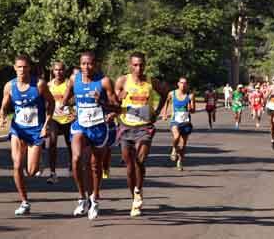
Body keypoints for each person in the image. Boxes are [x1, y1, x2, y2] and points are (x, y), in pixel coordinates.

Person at [61, 52, 120, 220]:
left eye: (90, 64)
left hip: (98, 128)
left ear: (96, 64)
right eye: (83, 64)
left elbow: (117, 108)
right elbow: (65, 100)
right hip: (80, 126)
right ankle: (82, 198)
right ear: (79, 65)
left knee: (95, 166)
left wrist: (101, 102)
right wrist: (66, 109)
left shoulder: (104, 82)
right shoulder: (74, 79)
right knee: (76, 158)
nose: (87, 67)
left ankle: (95, 199)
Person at [0, 54, 55, 216]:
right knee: (16, 165)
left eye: (25, 67)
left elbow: (51, 104)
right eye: (19, 67)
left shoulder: (39, 85)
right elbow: (4, 104)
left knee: (31, 171)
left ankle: (39, 159)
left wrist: (47, 124)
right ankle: (24, 201)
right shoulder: (10, 86)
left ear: (29, 68)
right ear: (15, 68)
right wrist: (2, 115)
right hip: (18, 129)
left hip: (36, 131)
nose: (22, 70)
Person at [115, 52, 168, 217]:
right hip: (125, 127)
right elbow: (113, 100)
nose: (139, 68)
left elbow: (165, 93)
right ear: (130, 65)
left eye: (142, 65)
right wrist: (119, 97)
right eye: (136, 65)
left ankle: (138, 188)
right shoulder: (122, 81)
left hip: (144, 127)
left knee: (140, 159)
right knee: (130, 166)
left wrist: (157, 111)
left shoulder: (151, 82)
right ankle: (135, 197)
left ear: (145, 65)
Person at [45, 61, 74, 184]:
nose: (58, 72)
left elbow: (75, 100)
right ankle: (52, 173)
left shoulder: (69, 84)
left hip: (68, 118)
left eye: (61, 70)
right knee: (52, 143)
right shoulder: (48, 85)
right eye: (56, 70)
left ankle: (73, 167)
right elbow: (45, 102)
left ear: (65, 71)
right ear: (53, 71)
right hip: (54, 118)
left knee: (70, 145)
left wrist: (70, 103)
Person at [162, 77, 195, 171]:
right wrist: (164, 113)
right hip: (175, 120)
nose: (183, 85)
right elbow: (166, 102)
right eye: (182, 83)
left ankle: (180, 161)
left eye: (185, 83)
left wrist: (190, 108)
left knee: (183, 145)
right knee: (176, 136)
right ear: (178, 84)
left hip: (186, 122)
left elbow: (193, 110)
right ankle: (173, 149)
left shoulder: (190, 96)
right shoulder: (172, 94)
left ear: (187, 85)